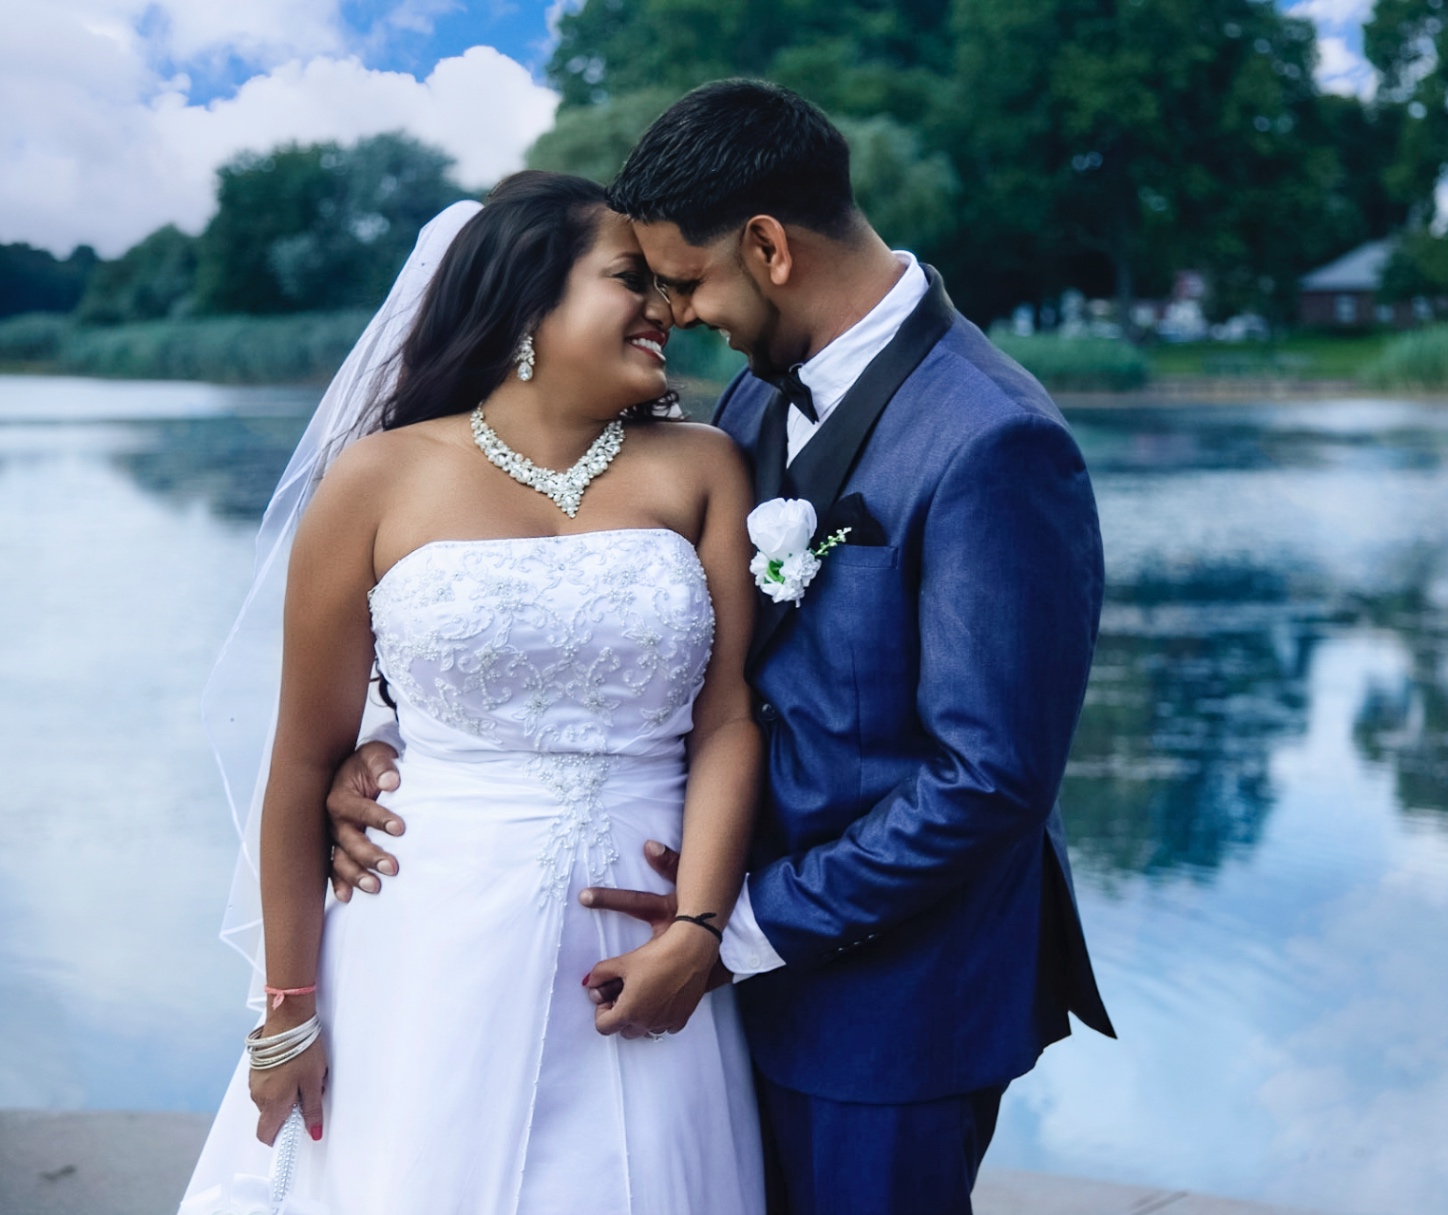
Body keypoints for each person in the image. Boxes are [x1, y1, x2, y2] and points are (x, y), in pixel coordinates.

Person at [329, 80, 1116, 1214]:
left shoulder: (997, 441)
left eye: (688, 281)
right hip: (708, 977)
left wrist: (734, 931)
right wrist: (383, 745)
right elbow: (575, 608)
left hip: (890, 1008)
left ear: (768, 245)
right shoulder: (748, 406)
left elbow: (989, 779)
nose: (679, 315)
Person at [180, 172, 765, 1213]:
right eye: (630, 281)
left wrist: (700, 930)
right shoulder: (375, 479)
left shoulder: (708, 466)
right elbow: (304, 761)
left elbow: (725, 722)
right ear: (529, 299)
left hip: (646, 944)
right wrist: (288, 1015)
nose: (666, 310)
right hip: (428, 935)